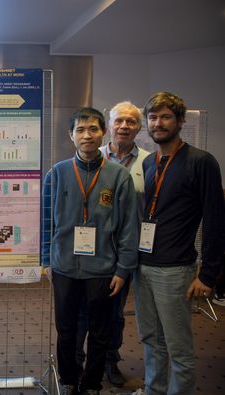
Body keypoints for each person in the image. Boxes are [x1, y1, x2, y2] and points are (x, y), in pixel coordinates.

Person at [42, 107, 139, 395]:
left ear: (103, 133)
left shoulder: (119, 176)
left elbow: (128, 228)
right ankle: (70, 379)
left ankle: (93, 382)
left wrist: (123, 269)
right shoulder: (57, 173)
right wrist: (47, 260)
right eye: (80, 130)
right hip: (64, 267)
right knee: (67, 330)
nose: (87, 135)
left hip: (103, 268)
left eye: (93, 129)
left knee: (100, 331)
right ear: (71, 135)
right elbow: (45, 221)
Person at [133, 92, 225, 395]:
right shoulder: (150, 163)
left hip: (175, 271)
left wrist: (208, 274)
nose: (158, 123)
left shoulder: (201, 162)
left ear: (180, 121)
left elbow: (215, 221)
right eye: (153, 117)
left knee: (179, 349)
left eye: (166, 117)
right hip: (143, 266)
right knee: (151, 340)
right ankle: (153, 390)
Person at [75, 101, 150, 387]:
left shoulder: (149, 162)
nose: (124, 127)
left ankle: (110, 360)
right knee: (82, 310)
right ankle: (79, 363)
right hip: (90, 250)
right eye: (119, 121)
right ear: (109, 126)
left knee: (115, 313)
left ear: (138, 127)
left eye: (131, 122)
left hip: (124, 253)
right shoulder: (91, 156)